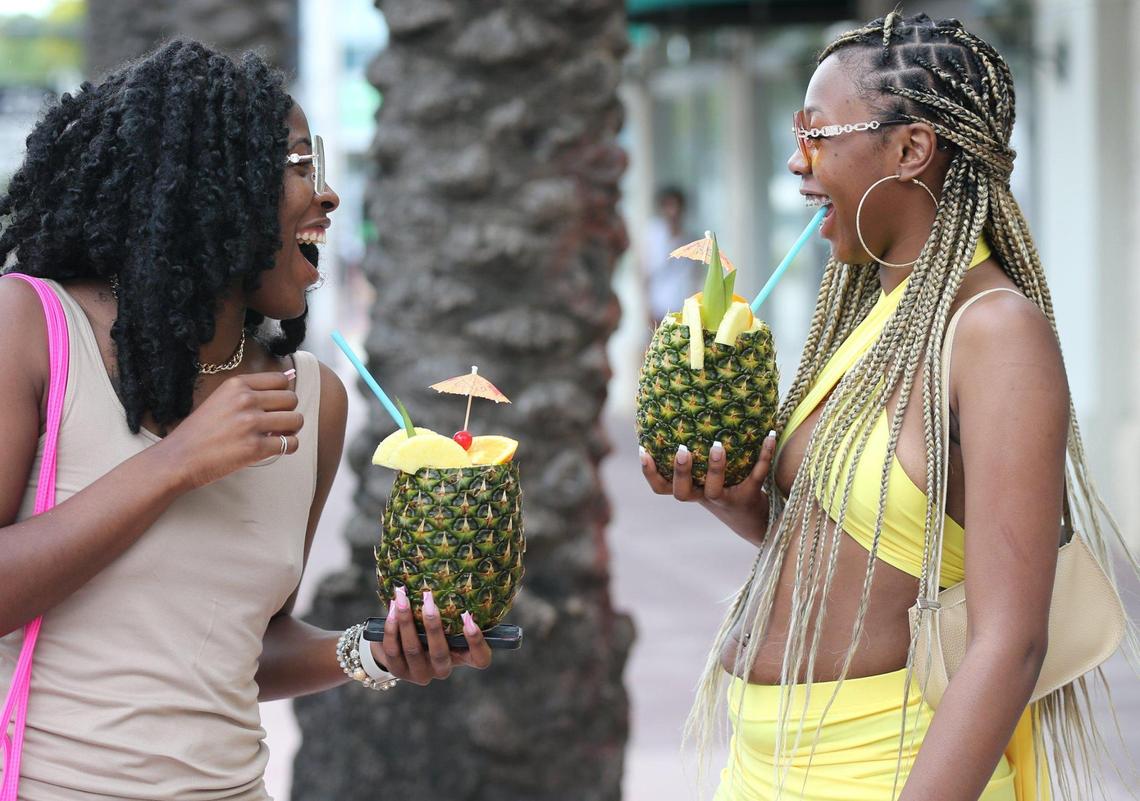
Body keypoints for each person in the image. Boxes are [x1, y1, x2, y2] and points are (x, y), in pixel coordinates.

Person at [640, 12, 1136, 801]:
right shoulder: (876, 314)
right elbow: (883, 559)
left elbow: (1011, 641)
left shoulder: (994, 331)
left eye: (817, 133)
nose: (795, 162)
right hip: (759, 770)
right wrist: (747, 512)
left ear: (910, 150)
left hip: (882, 773)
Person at [0, 41, 490, 800]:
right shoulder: (32, 326)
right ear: (210, 188)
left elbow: (244, 645)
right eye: (298, 166)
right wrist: (174, 463)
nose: (325, 198)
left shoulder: (313, 401)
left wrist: (373, 651)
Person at [642, 185, 702, 326]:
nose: (673, 211)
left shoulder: (691, 239)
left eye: (676, 206)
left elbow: (695, 278)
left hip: (682, 310)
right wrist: (646, 307)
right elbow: (643, 274)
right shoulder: (652, 235)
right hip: (658, 308)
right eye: (668, 206)